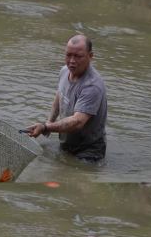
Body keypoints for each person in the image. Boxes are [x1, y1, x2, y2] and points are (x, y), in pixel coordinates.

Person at [25, 34, 108, 162]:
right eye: (68, 55)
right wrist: (49, 122)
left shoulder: (92, 85)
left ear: (90, 56)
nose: (72, 61)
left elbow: (78, 122)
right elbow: (60, 95)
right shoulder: (64, 71)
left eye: (78, 56)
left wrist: (46, 127)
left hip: (89, 151)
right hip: (67, 143)